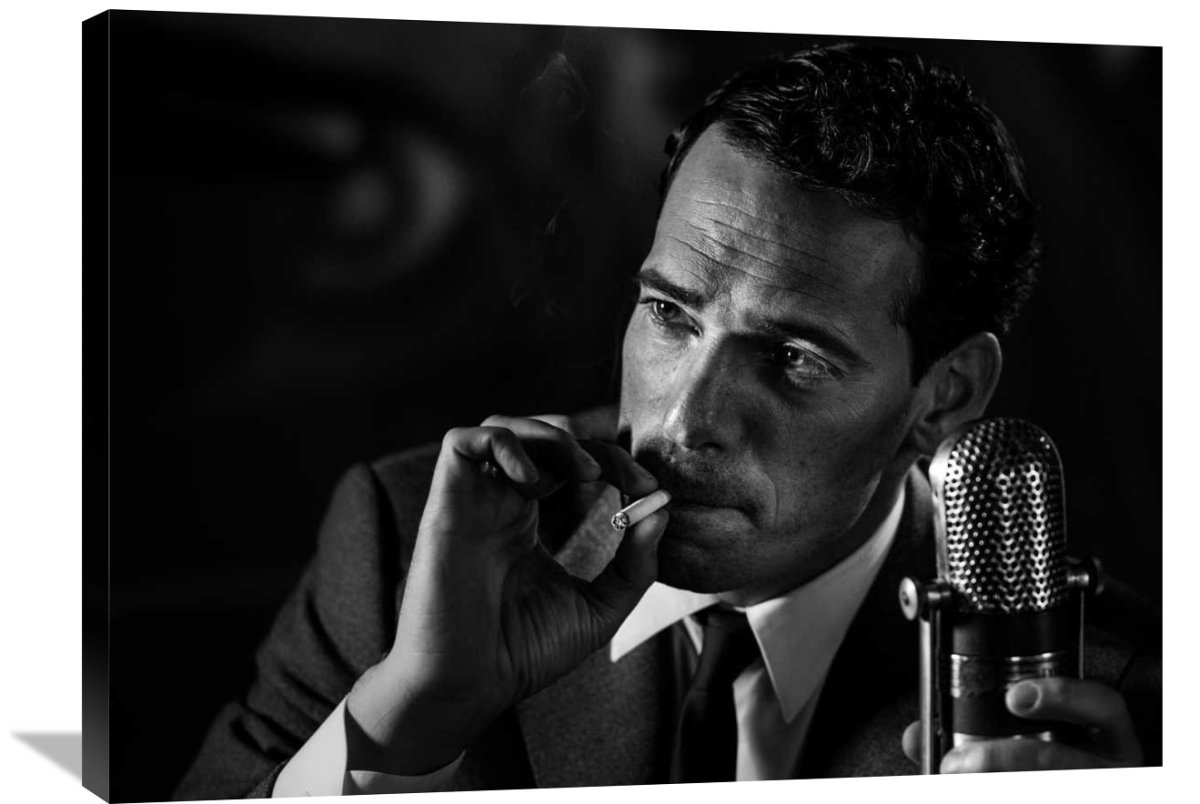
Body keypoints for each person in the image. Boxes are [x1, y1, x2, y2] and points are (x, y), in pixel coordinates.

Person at [174, 42, 1160, 800]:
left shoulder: (1119, 697)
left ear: (944, 396)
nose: (683, 423)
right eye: (670, 314)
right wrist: (414, 714)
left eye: (794, 359)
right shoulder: (404, 546)